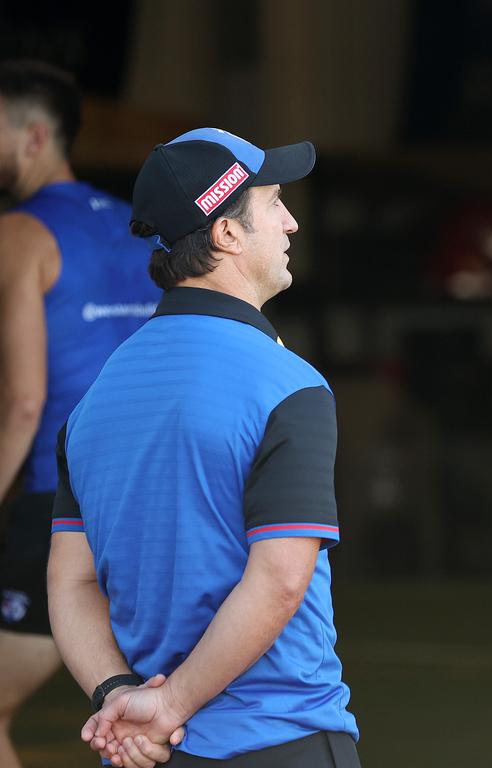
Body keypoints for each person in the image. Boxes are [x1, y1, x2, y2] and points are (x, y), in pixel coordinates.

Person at [47, 127, 361, 767]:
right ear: (226, 233)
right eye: (274, 203)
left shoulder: (95, 399)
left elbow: (70, 580)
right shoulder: (286, 384)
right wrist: (171, 705)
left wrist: (120, 694)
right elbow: (279, 578)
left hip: (144, 750)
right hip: (279, 740)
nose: (292, 223)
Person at [0, 60, 160, 768]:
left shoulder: (18, 235)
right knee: (166, 711)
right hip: (160, 498)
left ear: (34, 137)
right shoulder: (142, 228)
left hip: (62, 503)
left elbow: (24, 398)